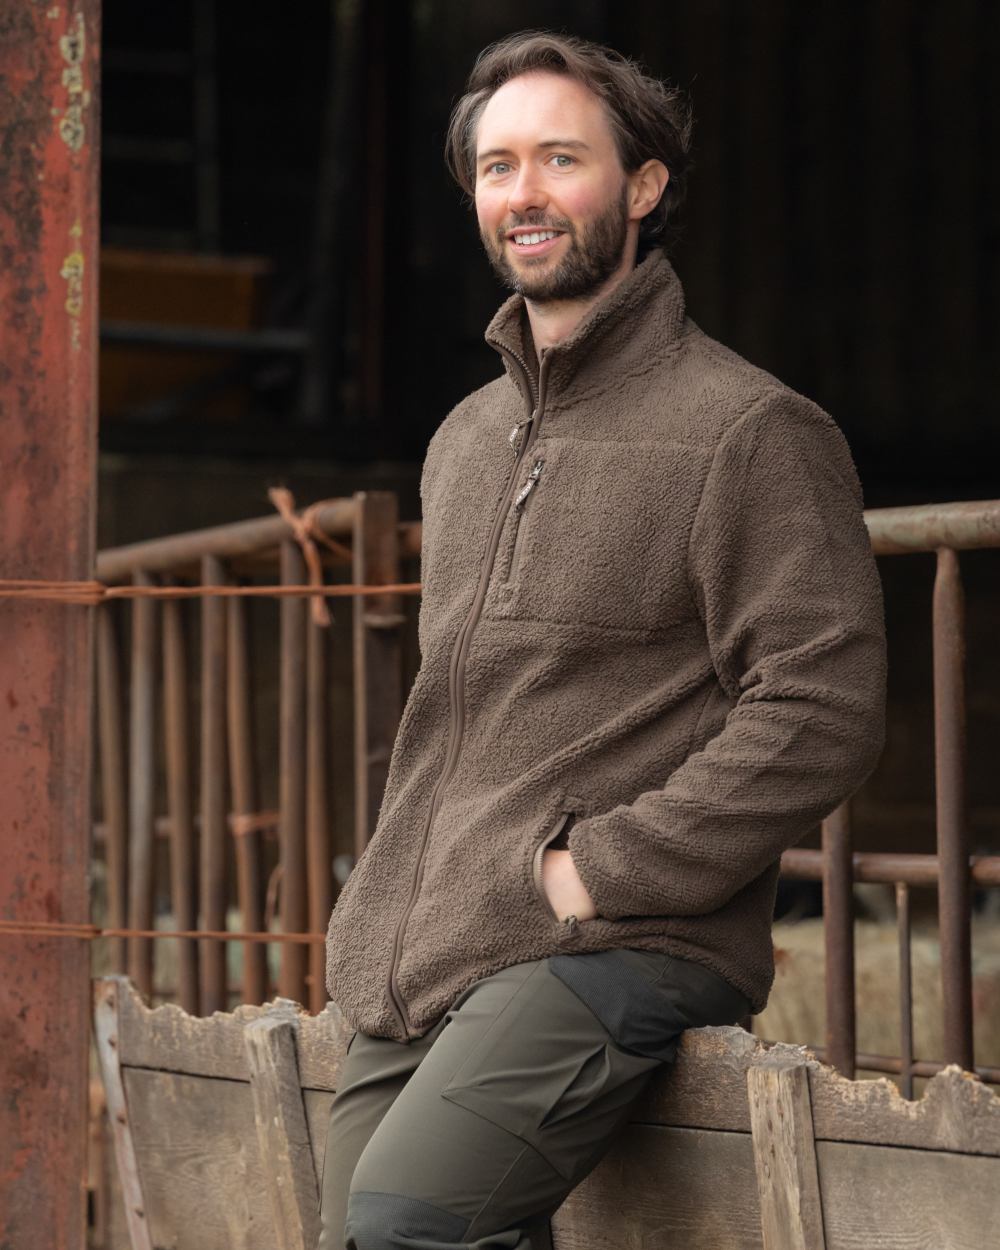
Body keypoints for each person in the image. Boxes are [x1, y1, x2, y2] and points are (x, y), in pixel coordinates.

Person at [317, 29, 886, 1250]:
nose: (522, 193)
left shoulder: (749, 429)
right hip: (439, 938)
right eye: (495, 165)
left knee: (410, 1220)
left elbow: (820, 707)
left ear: (641, 185)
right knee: (357, 1232)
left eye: (560, 158)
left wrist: (599, 866)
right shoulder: (465, 440)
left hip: (624, 932)